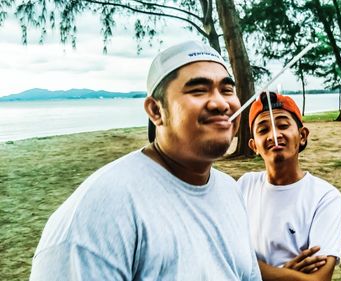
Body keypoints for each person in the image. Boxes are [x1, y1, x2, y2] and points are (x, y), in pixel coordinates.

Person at [30, 41, 261, 280]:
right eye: (198, 90)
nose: (221, 103)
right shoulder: (101, 210)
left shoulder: (230, 190)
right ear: (155, 111)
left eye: (226, 90)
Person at [238, 92, 341, 281]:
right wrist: (285, 274)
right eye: (263, 130)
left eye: (283, 125)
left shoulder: (325, 197)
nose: (275, 136)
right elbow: (228, 255)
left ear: (302, 136)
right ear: (254, 146)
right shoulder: (245, 186)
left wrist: (254, 269)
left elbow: (319, 279)